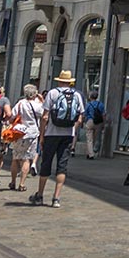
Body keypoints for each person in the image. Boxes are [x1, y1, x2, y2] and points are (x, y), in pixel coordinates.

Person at [34, 70, 83, 207]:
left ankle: (40, 195)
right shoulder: (77, 95)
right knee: (62, 166)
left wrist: (42, 135)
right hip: (67, 135)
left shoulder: (53, 93)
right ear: (70, 82)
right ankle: (56, 198)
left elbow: (44, 117)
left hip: (51, 134)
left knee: (46, 163)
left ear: (59, 81)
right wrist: (73, 131)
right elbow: (80, 117)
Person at [7, 83, 42, 190]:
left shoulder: (20, 103)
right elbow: (45, 115)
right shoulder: (38, 105)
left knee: (15, 158)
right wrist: (42, 100)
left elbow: (11, 116)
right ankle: (21, 184)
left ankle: (12, 181)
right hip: (32, 134)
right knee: (26, 159)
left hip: (19, 133)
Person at [85, 92, 107, 158]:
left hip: (90, 121)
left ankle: (91, 154)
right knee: (96, 137)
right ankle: (93, 150)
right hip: (98, 122)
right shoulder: (101, 104)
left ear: (90, 97)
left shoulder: (88, 104)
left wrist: (84, 121)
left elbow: (85, 114)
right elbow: (104, 114)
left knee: (89, 138)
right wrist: (103, 123)